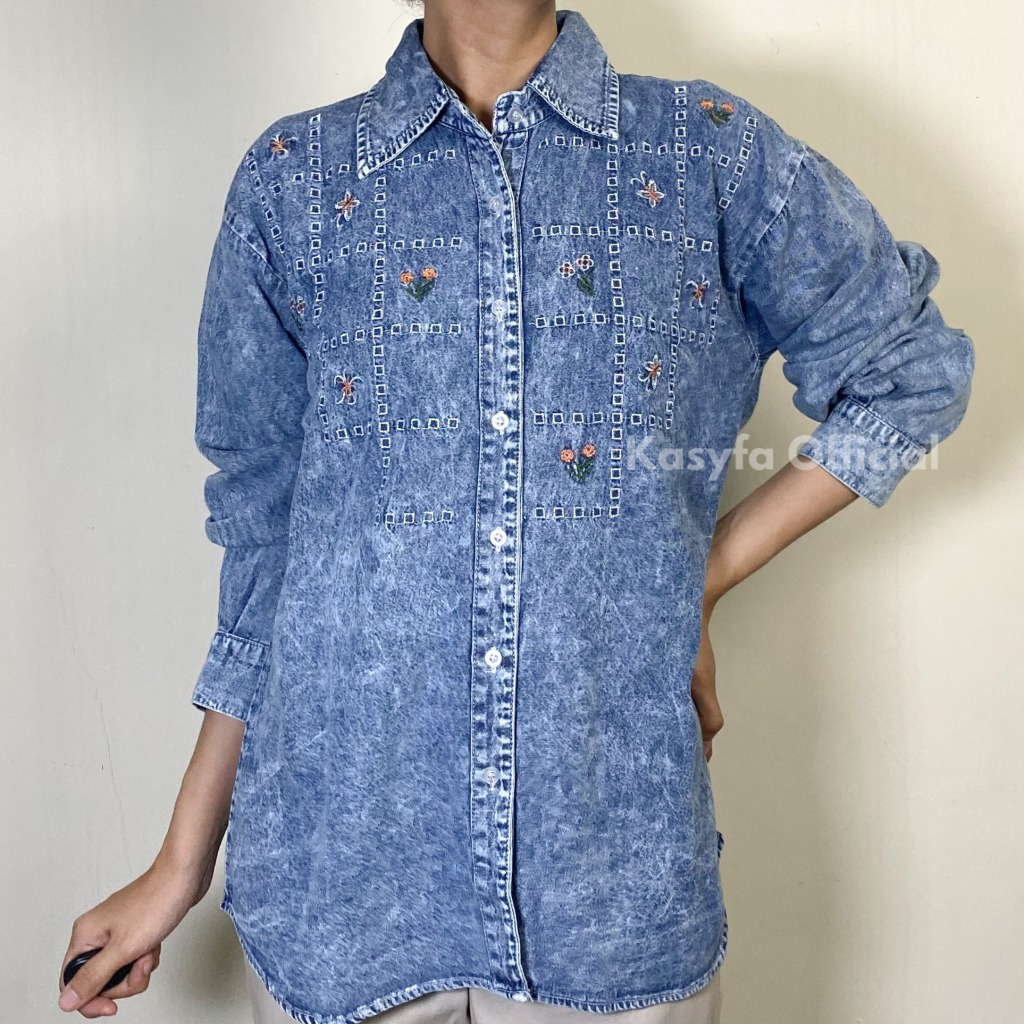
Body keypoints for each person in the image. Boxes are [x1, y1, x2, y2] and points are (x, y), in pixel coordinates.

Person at [58, 2, 975, 1022]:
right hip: (342, 893)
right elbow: (266, 556)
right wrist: (181, 862)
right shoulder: (295, 180)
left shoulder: (707, 156)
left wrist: (694, 581)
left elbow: (910, 375)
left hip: (608, 902)